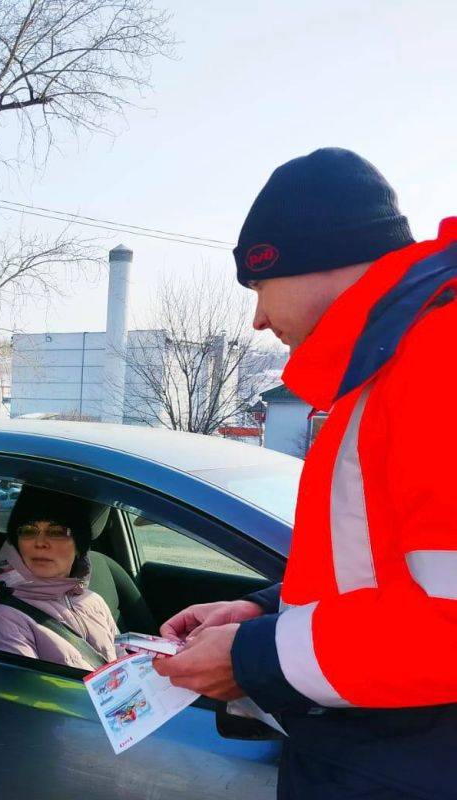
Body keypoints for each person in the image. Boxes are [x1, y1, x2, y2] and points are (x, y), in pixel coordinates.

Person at [152, 148, 457, 799]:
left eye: (258, 287)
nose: (257, 318)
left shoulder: (437, 360)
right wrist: (257, 612)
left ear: (316, 261)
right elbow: (378, 575)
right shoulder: (392, 364)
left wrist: (249, 655)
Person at [0, 486, 118, 670]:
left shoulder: (94, 601)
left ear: (79, 546)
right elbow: (28, 695)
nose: (40, 542)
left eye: (57, 532)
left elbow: (124, 666)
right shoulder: (2, 616)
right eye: (28, 531)